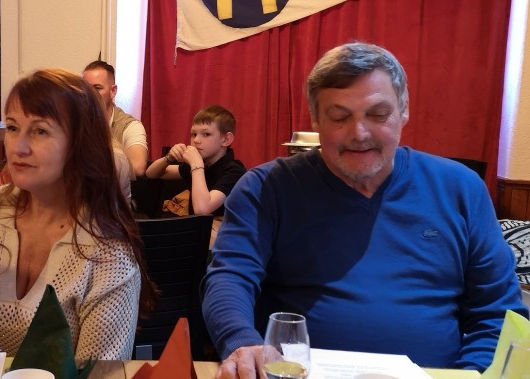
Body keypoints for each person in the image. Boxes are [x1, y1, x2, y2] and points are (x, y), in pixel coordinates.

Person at [202, 42, 526, 375]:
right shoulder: (266, 187)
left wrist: (473, 373)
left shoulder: (461, 188)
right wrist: (241, 342)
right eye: (339, 117)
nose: (359, 133)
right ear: (315, 118)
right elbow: (230, 277)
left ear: (403, 110)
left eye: (378, 115)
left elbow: (497, 313)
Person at [0, 68, 157, 361]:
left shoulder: (108, 250)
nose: (17, 147)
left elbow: (98, 373)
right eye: (12, 128)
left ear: (80, 143)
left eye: (40, 131)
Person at [144, 105, 246, 217]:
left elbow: (202, 209)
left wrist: (196, 165)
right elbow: (151, 174)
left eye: (206, 134)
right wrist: (168, 158)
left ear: (226, 139)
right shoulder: (203, 163)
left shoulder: (235, 171)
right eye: (194, 134)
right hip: (198, 226)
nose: (196, 140)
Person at [82, 61, 149, 178]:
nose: (90, 94)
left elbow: (137, 167)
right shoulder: (75, 121)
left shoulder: (130, 126)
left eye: (97, 88)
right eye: (86, 89)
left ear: (113, 91)